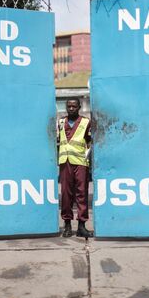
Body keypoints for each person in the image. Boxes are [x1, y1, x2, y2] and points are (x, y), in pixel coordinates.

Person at [58, 98, 93, 238]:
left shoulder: (85, 122)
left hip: (80, 162)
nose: (71, 109)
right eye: (69, 106)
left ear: (79, 107)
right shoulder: (60, 122)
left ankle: (81, 226)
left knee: (81, 194)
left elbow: (90, 142)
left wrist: (88, 159)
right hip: (65, 162)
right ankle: (67, 225)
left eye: (74, 106)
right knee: (66, 194)